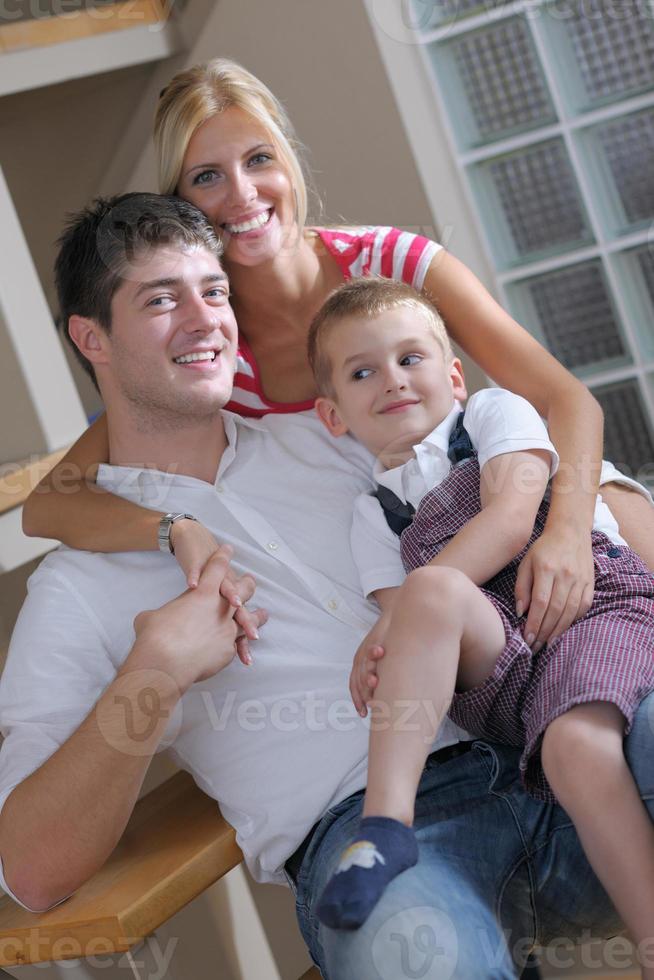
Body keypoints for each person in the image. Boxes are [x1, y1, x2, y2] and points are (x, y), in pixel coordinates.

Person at [2, 194, 653, 980]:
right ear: (91, 338)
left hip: (546, 734)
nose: (204, 319)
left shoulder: (334, 432)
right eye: (161, 300)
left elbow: (571, 486)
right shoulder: (77, 584)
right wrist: (157, 670)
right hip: (382, 851)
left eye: (214, 291)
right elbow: (30, 870)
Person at [21, 60, 654, 660]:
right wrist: (175, 528)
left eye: (259, 159)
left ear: (289, 165)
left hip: (524, 495)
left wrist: (567, 532)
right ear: (183, 202)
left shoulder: (397, 262)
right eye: (206, 176)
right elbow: (51, 506)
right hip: (406, 550)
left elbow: (565, 400)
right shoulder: (207, 342)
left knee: (618, 518)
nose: (242, 194)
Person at [306, 278, 654, 962]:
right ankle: (386, 823)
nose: (394, 380)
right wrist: (393, 640)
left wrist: (394, 625)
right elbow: (415, 619)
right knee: (428, 598)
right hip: (505, 672)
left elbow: (511, 518)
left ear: (454, 375)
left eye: (412, 358)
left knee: (577, 749)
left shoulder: (492, 415)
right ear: (334, 415)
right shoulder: (371, 514)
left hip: (592, 608)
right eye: (363, 371)